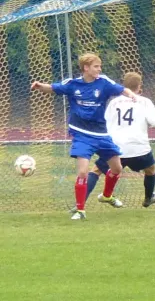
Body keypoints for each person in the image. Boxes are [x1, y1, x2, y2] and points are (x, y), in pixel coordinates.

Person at [31, 53, 137, 220]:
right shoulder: (73, 84)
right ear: (86, 68)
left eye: (99, 66)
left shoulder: (103, 82)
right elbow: (53, 88)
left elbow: (122, 89)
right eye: (96, 66)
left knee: (117, 168)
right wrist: (39, 85)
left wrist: (130, 94)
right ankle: (81, 211)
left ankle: (107, 196)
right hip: (81, 135)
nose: (99, 69)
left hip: (101, 134)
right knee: (82, 172)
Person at [73, 72, 155, 210]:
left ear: (124, 85)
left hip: (115, 148)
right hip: (138, 148)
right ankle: (148, 198)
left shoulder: (113, 102)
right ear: (139, 86)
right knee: (150, 170)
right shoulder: (144, 102)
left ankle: (80, 204)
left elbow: (103, 121)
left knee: (96, 171)